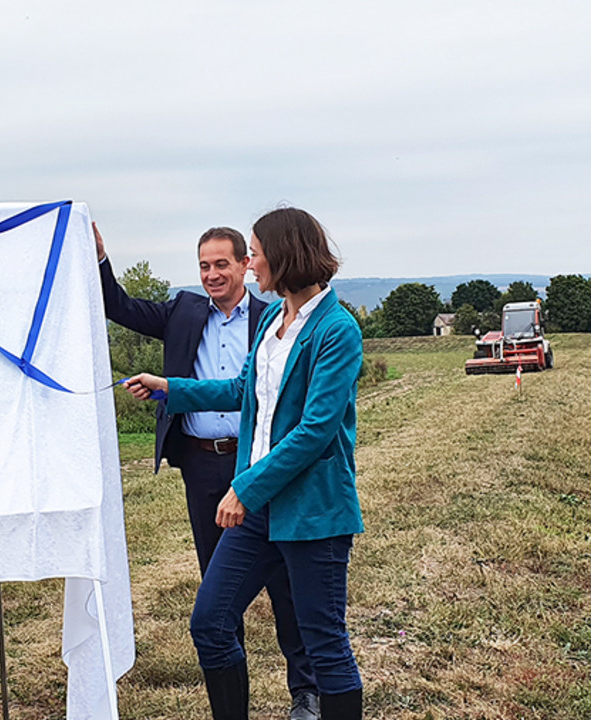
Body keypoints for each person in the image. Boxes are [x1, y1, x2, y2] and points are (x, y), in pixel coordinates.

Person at [124, 207, 364, 720]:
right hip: (260, 512)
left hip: (312, 511)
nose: (251, 265)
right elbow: (241, 390)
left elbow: (317, 430)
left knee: (324, 643)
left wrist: (246, 488)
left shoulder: (337, 329)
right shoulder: (276, 320)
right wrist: (172, 387)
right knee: (210, 623)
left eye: (254, 253)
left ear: (284, 254)